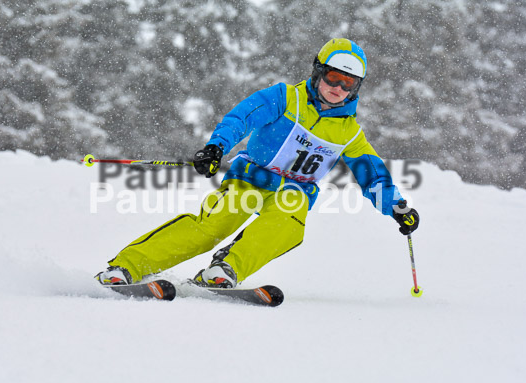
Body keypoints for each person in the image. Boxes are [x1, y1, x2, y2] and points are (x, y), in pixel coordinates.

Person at [95, 38, 420, 288]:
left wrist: (396, 207)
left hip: (294, 190)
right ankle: (126, 266)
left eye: (348, 84)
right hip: (251, 178)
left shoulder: (349, 133)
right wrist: (216, 148)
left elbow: (371, 173)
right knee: (212, 226)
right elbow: (242, 118)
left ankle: (225, 269)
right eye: (333, 77)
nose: (337, 89)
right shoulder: (284, 98)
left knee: (287, 225)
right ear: (318, 72)